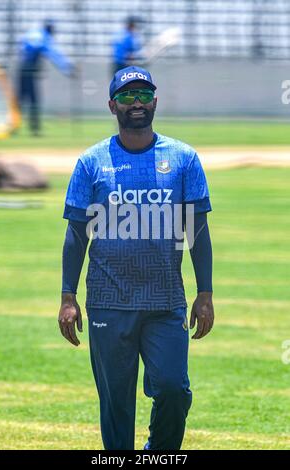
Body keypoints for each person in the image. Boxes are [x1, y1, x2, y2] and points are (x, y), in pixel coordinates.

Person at [58, 65, 214, 450]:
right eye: (128, 96)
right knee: (116, 405)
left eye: (144, 95)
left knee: (174, 390)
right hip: (109, 303)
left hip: (166, 302)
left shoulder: (183, 158)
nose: (137, 103)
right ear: (113, 106)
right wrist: (67, 297)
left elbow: (197, 231)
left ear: (155, 101)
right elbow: (77, 234)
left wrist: (205, 293)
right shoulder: (92, 162)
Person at [17, 20, 73, 135]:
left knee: (20, 100)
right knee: (34, 100)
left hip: (22, 69)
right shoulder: (44, 37)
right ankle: (35, 129)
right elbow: (53, 54)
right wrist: (67, 68)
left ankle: (13, 126)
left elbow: (22, 47)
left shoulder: (33, 33)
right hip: (30, 71)